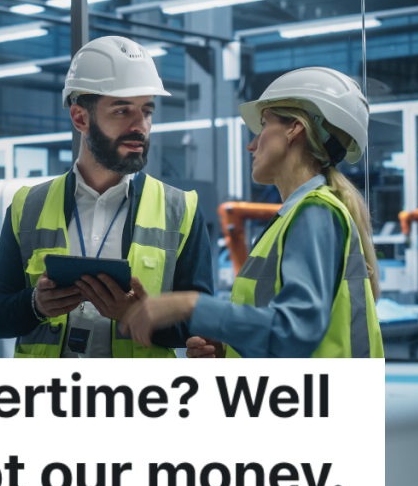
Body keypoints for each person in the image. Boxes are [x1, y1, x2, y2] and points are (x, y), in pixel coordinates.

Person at [120, 67, 384, 358]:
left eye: (263, 125)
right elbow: (286, 341)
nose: (251, 144)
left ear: (294, 128)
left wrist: (189, 305)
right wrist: (230, 351)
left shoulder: (315, 212)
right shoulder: (296, 217)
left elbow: (294, 332)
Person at [0, 36, 214, 358]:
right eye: (122, 111)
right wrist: (34, 304)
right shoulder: (27, 206)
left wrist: (140, 314)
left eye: (146, 111)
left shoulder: (181, 210)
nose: (140, 126)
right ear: (80, 118)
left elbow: (202, 325)